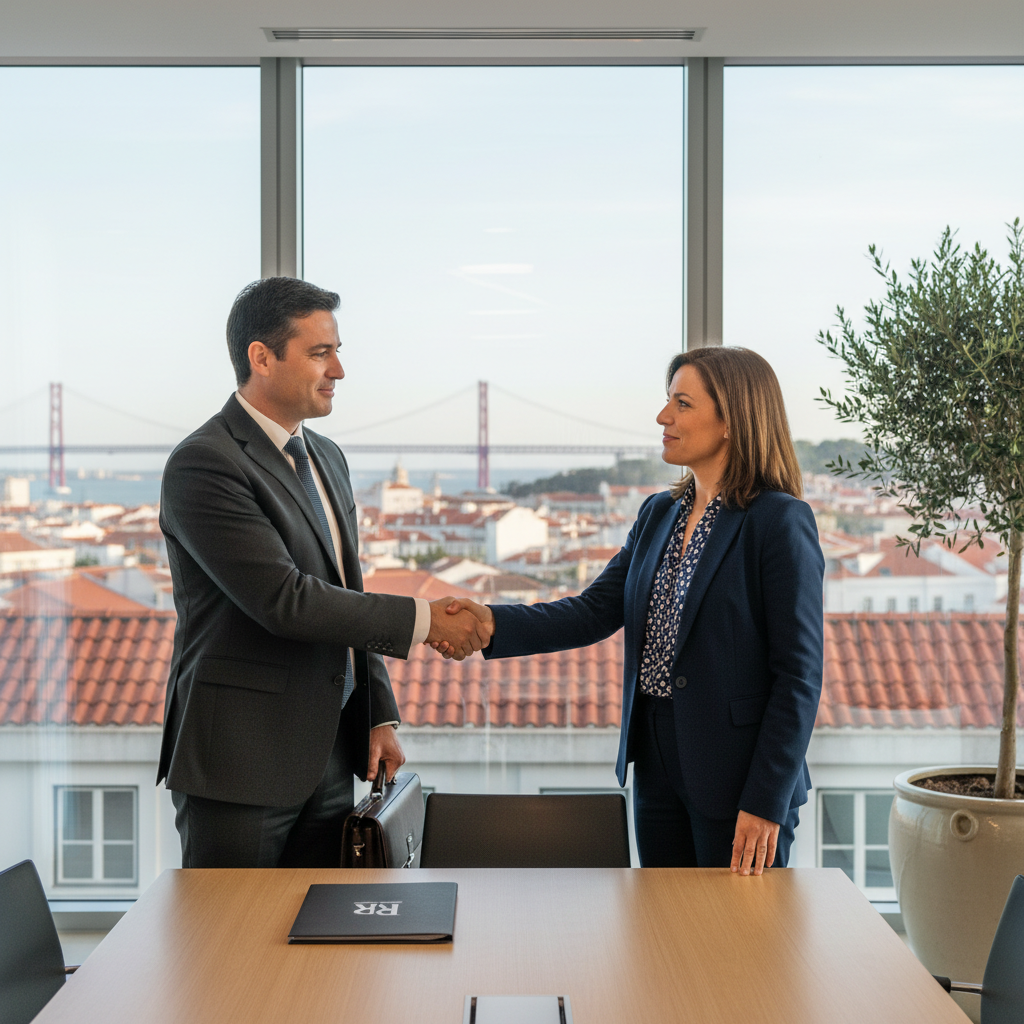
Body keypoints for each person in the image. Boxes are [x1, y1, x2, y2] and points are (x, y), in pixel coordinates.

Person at [436, 347, 824, 874]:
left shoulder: (779, 521)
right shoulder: (659, 512)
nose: (663, 417)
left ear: (733, 420)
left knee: (737, 947)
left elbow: (798, 677)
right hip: (657, 764)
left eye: (682, 404)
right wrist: (490, 622)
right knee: (665, 933)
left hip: (740, 778)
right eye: (668, 402)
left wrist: (765, 800)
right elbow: (593, 610)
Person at [157, 277, 491, 868]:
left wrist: (378, 712)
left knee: (322, 940)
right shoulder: (203, 462)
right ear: (261, 357)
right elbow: (285, 600)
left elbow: (345, 594)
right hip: (242, 761)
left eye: (337, 351)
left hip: (332, 755)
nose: (339, 369)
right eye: (320, 353)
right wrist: (424, 619)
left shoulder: (327, 456)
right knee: (232, 944)